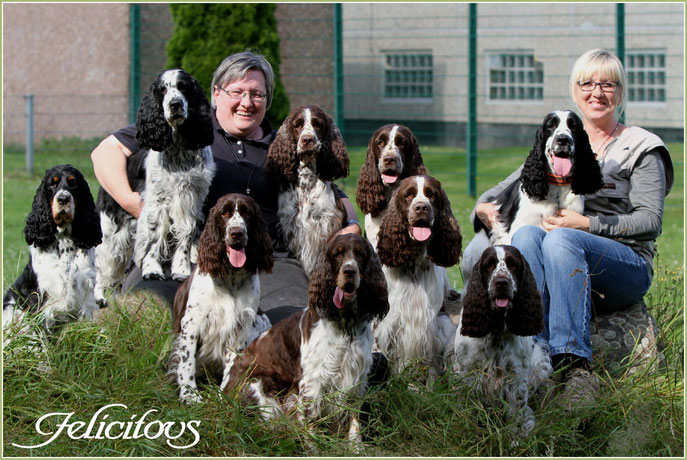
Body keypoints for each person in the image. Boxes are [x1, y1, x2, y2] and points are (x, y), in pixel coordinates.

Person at [462, 49, 673, 405]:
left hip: (624, 264)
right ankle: (535, 353)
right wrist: (480, 209)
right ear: (575, 91)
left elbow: (650, 221)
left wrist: (587, 223)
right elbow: (504, 189)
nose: (597, 92)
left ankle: (573, 364)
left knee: (560, 239)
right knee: (527, 234)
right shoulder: (561, 140)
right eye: (587, 83)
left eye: (607, 84)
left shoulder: (642, 146)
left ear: (620, 93)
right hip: (564, 264)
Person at [91, 51, 361, 316]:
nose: (247, 102)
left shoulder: (283, 144)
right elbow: (105, 152)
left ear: (267, 101)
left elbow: (327, 190)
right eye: (237, 92)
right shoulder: (185, 126)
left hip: (268, 262)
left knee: (293, 320)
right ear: (216, 94)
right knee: (147, 312)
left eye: (257, 94)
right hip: (181, 255)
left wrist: (350, 223)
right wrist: (131, 201)